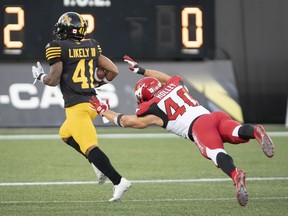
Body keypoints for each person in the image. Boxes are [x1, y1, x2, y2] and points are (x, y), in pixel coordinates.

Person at [89, 55, 275, 206]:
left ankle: (236, 175)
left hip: (199, 127)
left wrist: (104, 111)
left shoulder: (154, 110)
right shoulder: (175, 85)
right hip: (214, 116)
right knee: (238, 133)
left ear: (143, 97)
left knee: (215, 153)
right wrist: (142, 70)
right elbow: (165, 78)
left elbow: (130, 122)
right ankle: (255, 131)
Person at [31, 12, 131, 202]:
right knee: (65, 134)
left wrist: (39, 76)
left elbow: (52, 80)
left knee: (90, 147)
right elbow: (113, 71)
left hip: (77, 107)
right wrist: (93, 84)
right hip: (92, 104)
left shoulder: (57, 47)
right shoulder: (92, 45)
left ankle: (119, 181)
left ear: (66, 29)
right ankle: (96, 164)